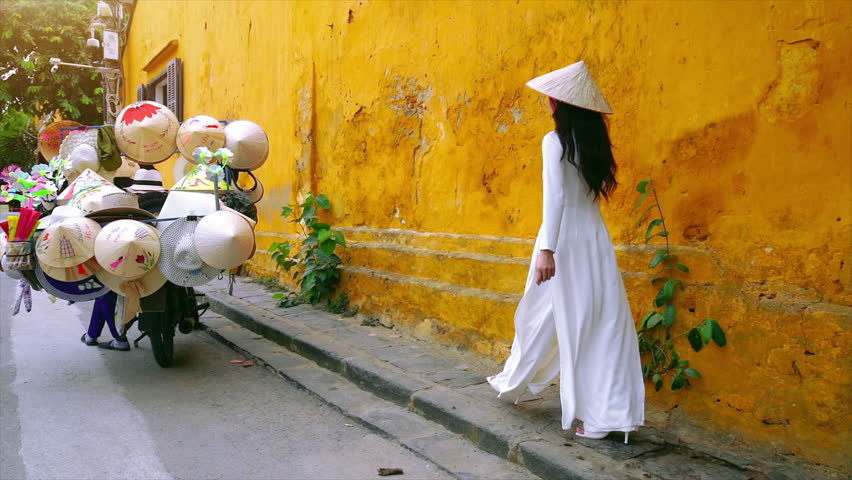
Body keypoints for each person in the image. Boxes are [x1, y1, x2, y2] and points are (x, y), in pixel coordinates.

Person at [487, 61, 645, 444]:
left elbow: (555, 198)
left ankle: (591, 413)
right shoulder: (594, 144)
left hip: (561, 241)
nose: (548, 103)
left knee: (554, 315)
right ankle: (522, 383)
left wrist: (547, 249)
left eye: (551, 98)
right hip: (594, 240)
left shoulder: (554, 141)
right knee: (599, 321)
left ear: (561, 103)